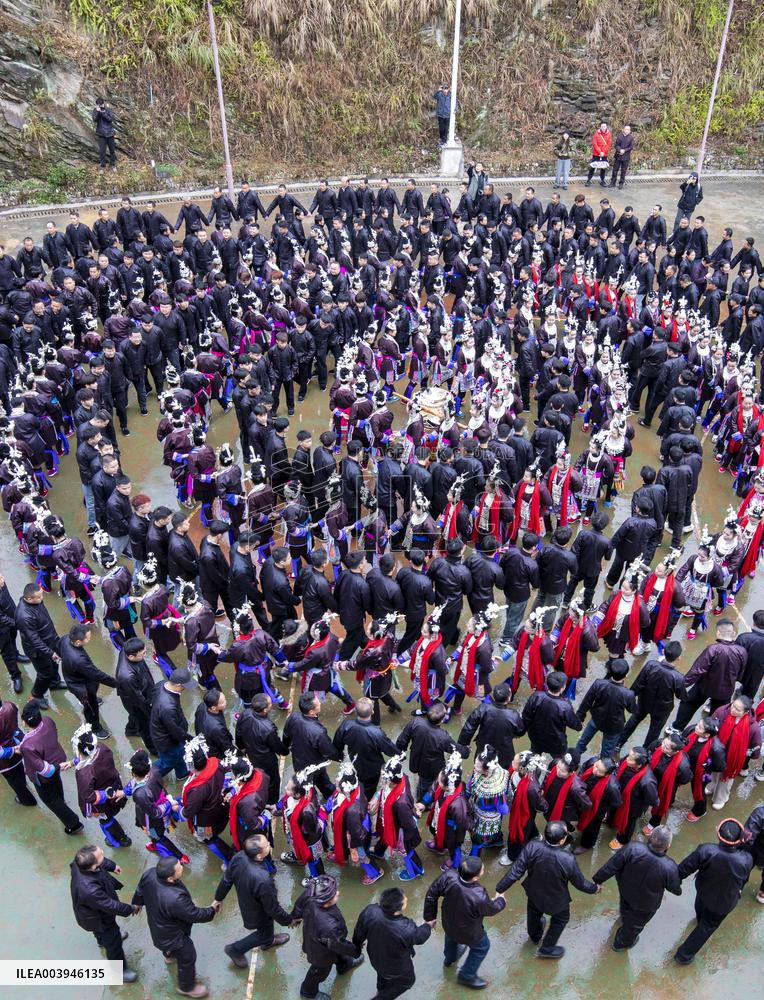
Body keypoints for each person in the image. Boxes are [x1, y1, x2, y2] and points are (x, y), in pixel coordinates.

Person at [497, 820, 599, 959]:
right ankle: (547, 948)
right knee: (561, 919)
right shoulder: (568, 859)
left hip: (533, 892)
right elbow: (580, 883)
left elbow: (515, 872)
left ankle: (535, 936)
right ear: (562, 840)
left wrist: (500, 889)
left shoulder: (532, 847)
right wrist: (595, 888)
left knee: (533, 913)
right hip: (557, 900)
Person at [132, 856, 219, 998]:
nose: (182, 867)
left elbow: (140, 889)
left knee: (167, 947)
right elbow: (194, 915)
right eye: (179, 868)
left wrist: (137, 903)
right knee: (188, 955)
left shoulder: (150, 874)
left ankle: (169, 956)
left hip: (158, 926)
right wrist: (211, 910)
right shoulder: (175, 898)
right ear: (170, 879)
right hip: (173, 936)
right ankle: (187, 987)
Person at [674, 819, 753, 964]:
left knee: (701, 908)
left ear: (718, 834)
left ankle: (699, 920)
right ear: (739, 840)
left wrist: (673, 882)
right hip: (724, 902)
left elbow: (684, 868)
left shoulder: (706, 850)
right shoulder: (746, 859)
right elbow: (743, 878)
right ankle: (683, 956)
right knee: (707, 927)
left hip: (704, 890)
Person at [423, 854, 506, 989]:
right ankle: (466, 976)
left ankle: (449, 958)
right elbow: (490, 909)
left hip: (449, 921)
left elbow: (432, 894)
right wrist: (501, 900)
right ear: (475, 877)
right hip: (469, 931)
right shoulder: (478, 894)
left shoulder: (449, 875)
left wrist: (430, 917)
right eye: (482, 869)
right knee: (482, 947)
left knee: (450, 937)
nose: (483, 870)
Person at [592, 826, 681, 950]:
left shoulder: (633, 847)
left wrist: (598, 880)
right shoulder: (670, 867)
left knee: (625, 907)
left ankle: (624, 918)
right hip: (646, 904)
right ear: (668, 845)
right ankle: (620, 944)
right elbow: (675, 889)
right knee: (635, 926)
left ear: (650, 836)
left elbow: (611, 865)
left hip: (626, 889)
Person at [215, 834, 292, 968]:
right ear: (259, 856)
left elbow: (227, 879)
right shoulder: (263, 880)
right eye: (267, 845)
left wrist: (218, 898)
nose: (269, 844)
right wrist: (289, 920)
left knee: (267, 930)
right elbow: (273, 908)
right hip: (258, 912)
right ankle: (235, 949)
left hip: (247, 901)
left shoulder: (239, 856)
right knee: (264, 933)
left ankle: (268, 942)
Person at [70, 844, 138, 981]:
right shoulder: (90, 890)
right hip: (99, 918)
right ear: (94, 867)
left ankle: (101, 941)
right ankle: (119, 972)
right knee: (113, 943)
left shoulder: (79, 863)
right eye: (101, 855)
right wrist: (130, 908)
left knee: (99, 933)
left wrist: (112, 866)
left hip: (90, 913)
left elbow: (100, 861)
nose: (103, 853)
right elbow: (111, 905)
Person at [353, 886, 433, 1000]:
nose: (406, 898)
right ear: (397, 910)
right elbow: (419, 937)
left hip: (376, 957)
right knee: (407, 981)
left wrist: (357, 946)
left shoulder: (370, 911)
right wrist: (428, 926)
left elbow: (358, 932)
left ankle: (380, 989)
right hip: (397, 967)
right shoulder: (406, 929)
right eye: (404, 899)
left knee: (382, 974)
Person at [291, 874, 363, 1000]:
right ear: (327, 901)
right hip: (321, 952)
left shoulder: (312, 894)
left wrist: (295, 917)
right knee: (319, 971)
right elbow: (338, 944)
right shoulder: (329, 926)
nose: (338, 893)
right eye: (335, 893)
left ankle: (344, 965)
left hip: (321, 937)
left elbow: (299, 904)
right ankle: (308, 991)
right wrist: (355, 950)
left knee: (339, 953)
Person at [19, 702, 82, 834]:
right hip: (58, 760)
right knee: (56, 781)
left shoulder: (27, 745)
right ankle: (62, 799)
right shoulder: (48, 720)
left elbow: (45, 771)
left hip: (44, 776)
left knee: (50, 800)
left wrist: (23, 751)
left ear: (24, 722)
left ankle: (73, 823)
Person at [673, 620, 747, 729]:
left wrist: (680, 684)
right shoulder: (742, 652)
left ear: (718, 633)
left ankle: (677, 728)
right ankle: (708, 733)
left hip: (705, 686)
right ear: (734, 634)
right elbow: (740, 674)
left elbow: (697, 671)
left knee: (688, 704)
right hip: (726, 691)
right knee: (717, 715)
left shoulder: (713, 649)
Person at [619, 641, 686, 749]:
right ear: (679, 658)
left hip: (644, 700)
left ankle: (619, 743)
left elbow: (638, 684)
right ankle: (646, 750)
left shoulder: (651, 665)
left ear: (663, 652)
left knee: (635, 719)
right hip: (662, 709)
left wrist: (628, 699)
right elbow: (681, 695)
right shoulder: (678, 677)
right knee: (654, 730)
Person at [575, 658, 636, 758]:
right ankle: (601, 768)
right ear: (625, 675)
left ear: (610, 672)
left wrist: (580, 716)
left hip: (596, 718)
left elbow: (587, 701)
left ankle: (574, 759)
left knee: (582, 742)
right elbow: (632, 709)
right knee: (607, 753)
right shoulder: (628, 694)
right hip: (614, 726)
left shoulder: (599, 683)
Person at [457, 682, 526, 769]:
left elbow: (468, 728)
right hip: (504, 754)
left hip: (483, 750)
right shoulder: (513, 715)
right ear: (508, 699)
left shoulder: (483, 708)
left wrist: (463, 746)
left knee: (480, 769)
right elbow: (520, 731)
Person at [150, 667, 192, 780]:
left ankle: (182, 773)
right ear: (178, 684)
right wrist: (190, 739)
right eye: (185, 686)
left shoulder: (162, 684)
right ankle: (148, 776)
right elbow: (176, 731)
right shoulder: (167, 707)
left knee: (180, 754)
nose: (186, 689)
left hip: (162, 731)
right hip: (167, 740)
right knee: (167, 762)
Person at [92, 98, 116, 169]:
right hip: (101, 134)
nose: (101, 106)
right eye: (99, 105)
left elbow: (110, 119)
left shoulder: (108, 109)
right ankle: (102, 166)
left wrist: (103, 113)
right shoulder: (95, 110)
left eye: (101, 104)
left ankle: (113, 164)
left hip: (110, 133)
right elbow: (94, 119)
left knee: (112, 150)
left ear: (103, 103)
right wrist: (98, 112)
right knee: (102, 152)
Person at [586, 122, 612, 187]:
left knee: (603, 168)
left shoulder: (609, 134)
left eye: (604, 126)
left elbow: (608, 145)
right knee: (592, 167)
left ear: (606, 127)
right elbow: (595, 144)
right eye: (602, 126)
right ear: (600, 127)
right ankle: (588, 180)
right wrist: (600, 152)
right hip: (596, 154)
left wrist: (603, 152)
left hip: (604, 154)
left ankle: (602, 180)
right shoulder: (596, 134)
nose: (603, 128)